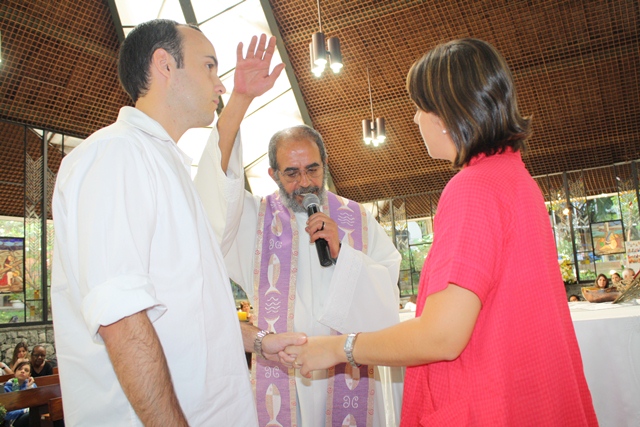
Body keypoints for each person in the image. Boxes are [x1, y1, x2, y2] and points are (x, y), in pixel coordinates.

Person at [286, 38, 597, 426]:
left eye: (420, 107)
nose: (415, 119)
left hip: (487, 403)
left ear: (447, 115)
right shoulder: (515, 178)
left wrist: (339, 348)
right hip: (527, 394)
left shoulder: (473, 187)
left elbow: (442, 336)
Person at [51, 19, 304, 426]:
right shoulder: (115, 155)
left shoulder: (164, 164)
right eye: (209, 66)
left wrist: (258, 341)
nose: (219, 84)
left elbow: (189, 312)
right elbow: (121, 317)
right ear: (165, 65)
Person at [195, 125, 403, 426]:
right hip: (283, 370)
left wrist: (342, 254)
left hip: (347, 371)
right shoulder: (254, 219)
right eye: (292, 173)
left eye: (312, 169)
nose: (305, 183)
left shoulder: (357, 218)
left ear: (325, 165)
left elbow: (388, 290)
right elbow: (215, 200)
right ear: (273, 174)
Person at [4, 361, 36, 427]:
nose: (22, 371)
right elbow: (7, 415)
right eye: (20, 369)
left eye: (26, 370)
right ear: (15, 372)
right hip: (13, 420)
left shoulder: (31, 385)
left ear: (29, 375)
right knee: (31, 415)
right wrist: (24, 411)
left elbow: (35, 405)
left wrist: (28, 388)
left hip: (28, 416)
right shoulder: (7, 388)